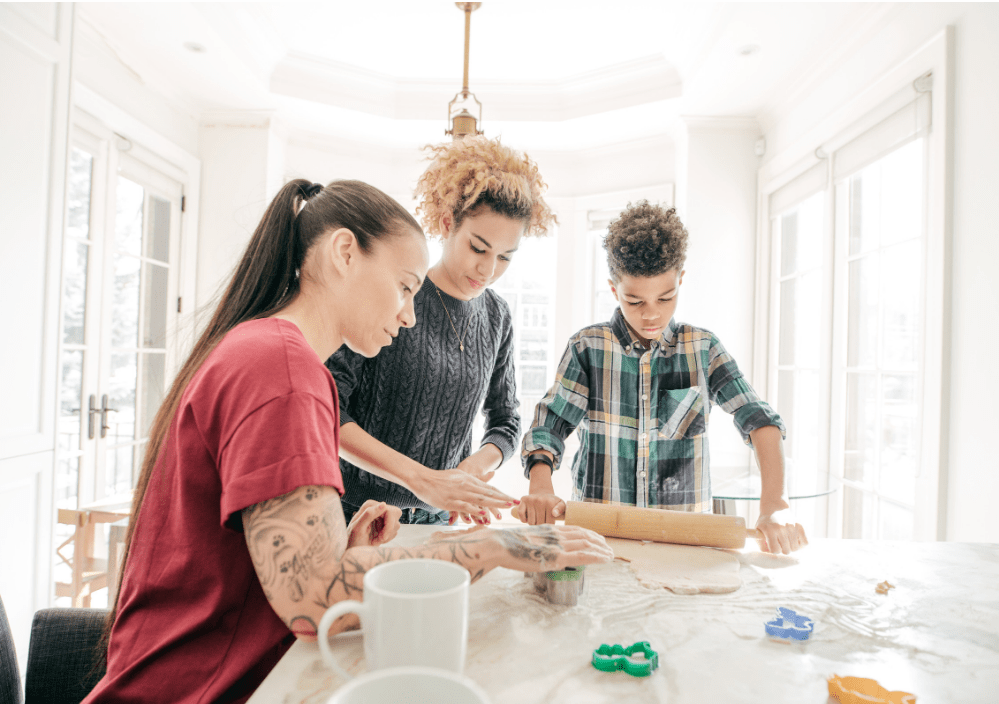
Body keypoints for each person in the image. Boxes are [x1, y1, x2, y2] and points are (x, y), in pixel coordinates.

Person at [85, 179, 611, 704]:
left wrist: (345, 554)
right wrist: (494, 546)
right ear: (344, 253)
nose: (409, 314)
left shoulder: (269, 352)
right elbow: (315, 599)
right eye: (405, 287)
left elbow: (289, 578)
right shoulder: (282, 370)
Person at [517, 200, 807, 555]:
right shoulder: (588, 347)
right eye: (634, 301)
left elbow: (761, 421)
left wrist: (774, 505)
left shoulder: (703, 349)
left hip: (685, 544)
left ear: (680, 281)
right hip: (598, 538)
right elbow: (549, 425)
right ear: (614, 290)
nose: (651, 314)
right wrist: (541, 485)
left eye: (666, 297)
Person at [326, 136, 556, 527]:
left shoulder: (497, 316)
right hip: (357, 514)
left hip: (438, 522)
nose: (488, 270)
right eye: (478, 248)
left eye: (504, 257)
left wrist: (471, 470)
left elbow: (506, 421)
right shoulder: (394, 294)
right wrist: (423, 480)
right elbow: (330, 411)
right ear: (449, 223)